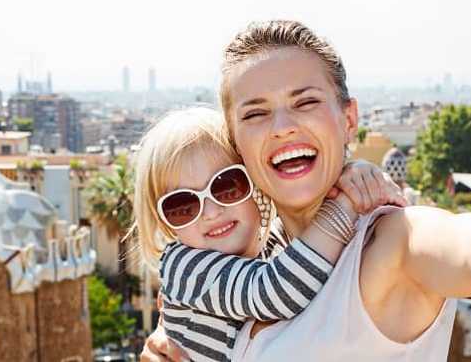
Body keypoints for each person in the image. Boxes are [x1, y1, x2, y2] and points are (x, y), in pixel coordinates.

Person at [142, 20, 471, 361]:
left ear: (349, 120)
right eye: (255, 113)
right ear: (238, 147)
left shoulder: (390, 240)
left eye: (305, 101)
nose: (282, 126)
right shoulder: (263, 252)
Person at [132, 107, 402, 362]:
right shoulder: (185, 266)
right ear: (166, 223)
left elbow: (307, 231)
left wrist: (353, 177)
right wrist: (344, 206)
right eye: (182, 205)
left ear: (255, 182)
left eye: (226, 187)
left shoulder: (271, 247)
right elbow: (276, 292)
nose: (211, 212)